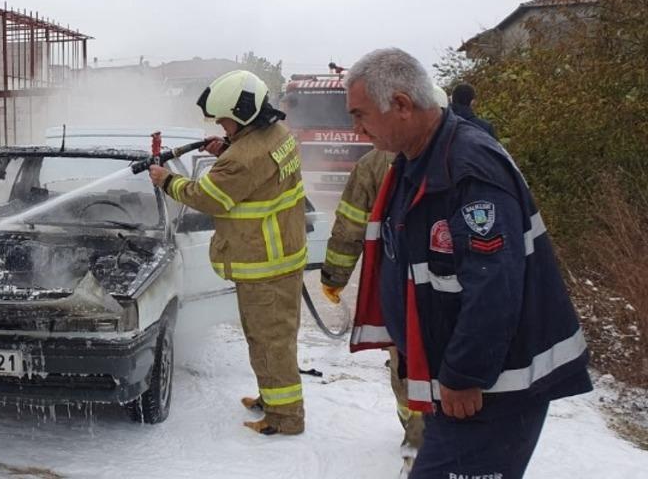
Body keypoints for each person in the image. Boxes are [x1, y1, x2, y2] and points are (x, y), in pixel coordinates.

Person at [344, 48, 592, 478]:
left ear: (401, 105)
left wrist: (463, 375)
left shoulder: (469, 169)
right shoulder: (418, 162)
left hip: (491, 390)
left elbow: (494, 286)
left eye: (360, 115)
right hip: (459, 385)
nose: (356, 129)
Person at [148, 70, 308, 436]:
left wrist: (166, 180)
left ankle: (285, 419)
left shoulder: (243, 158)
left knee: (269, 340)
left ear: (244, 116)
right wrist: (228, 148)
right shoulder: (277, 134)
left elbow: (207, 197)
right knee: (274, 337)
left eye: (225, 121)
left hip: (263, 263)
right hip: (282, 254)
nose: (222, 125)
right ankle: (274, 398)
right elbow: (257, 174)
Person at [319, 148, 425, 472]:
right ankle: (424, 435)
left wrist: (334, 276)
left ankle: (417, 436)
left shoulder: (373, 162)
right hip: (446, 288)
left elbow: (350, 224)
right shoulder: (462, 153)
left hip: (395, 284)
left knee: (405, 360)